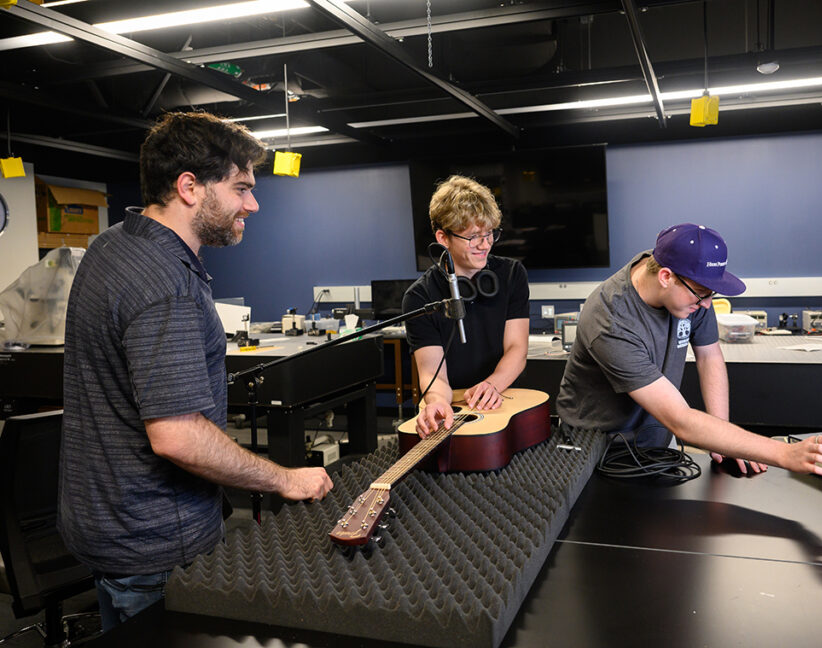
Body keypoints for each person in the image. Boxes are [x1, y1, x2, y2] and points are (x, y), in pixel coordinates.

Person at [58, 112, 334, 632]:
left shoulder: (111, 244)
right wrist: (283, 479)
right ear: (189, 187)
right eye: (241, 189)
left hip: (104, 529)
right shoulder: (169, 286)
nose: (252, 204)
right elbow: (178, 437)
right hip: (157, 543)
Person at [557, 223, 822, 476]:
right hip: (598, 451)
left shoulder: (690, 287)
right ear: (665, 277)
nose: (707, 305)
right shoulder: (610, 318)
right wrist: (785, 454)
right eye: (703, 295)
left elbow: (709, 357)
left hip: (655, 441)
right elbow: (681, 420)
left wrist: (723, 439)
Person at [402, 175, 530, 436]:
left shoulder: (512, 274)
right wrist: (437, 403)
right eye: (473, 237)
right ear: (443, 237)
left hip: (503, 394)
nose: (485, 244)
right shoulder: (419, 298)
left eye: (489, 234)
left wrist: (493, 385)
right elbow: (432, 373)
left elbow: (517, 349)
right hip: (457, 404)